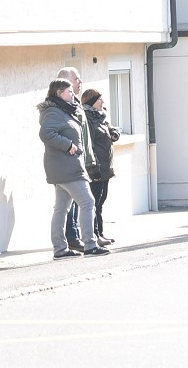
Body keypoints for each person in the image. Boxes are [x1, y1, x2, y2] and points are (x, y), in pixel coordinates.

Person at [38, 78, 109, 258]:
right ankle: (90, 244)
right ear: (58, 93)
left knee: (61, 208)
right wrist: (68, 145)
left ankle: (60, 250)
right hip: (66, 168)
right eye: (69, 91)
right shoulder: (54, 112)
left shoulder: (65, 110)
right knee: (88, 202)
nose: (73, 93)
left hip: (66, 167)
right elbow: (46, 133)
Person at [81, 88, 120, 245]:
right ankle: (95, 235)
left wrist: (114, 133)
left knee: (101, 201)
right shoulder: (88, 119)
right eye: (100, 100)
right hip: (96, 169)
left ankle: (101, 233)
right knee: (95, 203)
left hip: (106, 168)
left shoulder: (100, 116)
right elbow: (88, 144)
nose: (103, 102)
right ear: (92, 102)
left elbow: (110, 129)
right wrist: (93, 166)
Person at [56, 68, 89, 252]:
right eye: (76, 79)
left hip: (79, 159)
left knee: (70, 205)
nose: (80, 81)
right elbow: (48, 133)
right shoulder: (57, 107)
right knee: (84, 202)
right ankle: (74, 238)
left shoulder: (75, 103)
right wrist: (68, 146)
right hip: (66, 162)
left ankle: (69, 241)